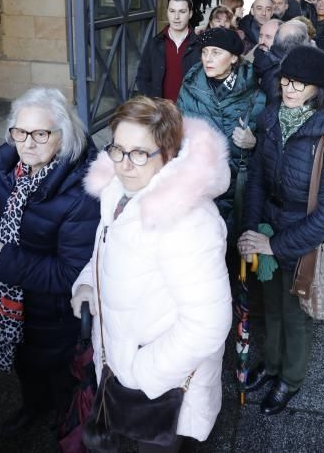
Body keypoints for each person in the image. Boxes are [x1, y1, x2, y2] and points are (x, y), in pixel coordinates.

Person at [71, 97, 232, 452]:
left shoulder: (188, 221)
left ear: (169, 154)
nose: (125, 165)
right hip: (121, 363)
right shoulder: (119, 191)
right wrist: (86, 284)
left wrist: (142, 373)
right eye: (117, 149)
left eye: (140, 153)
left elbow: (208, 323)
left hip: (161, 386)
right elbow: (108, 248)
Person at [238, 46, 324, 415]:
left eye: (300, 84)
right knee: (268, 305)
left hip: (302, 239)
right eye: (286, 79)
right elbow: (257, 179)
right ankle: (271, 364)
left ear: (317, 89)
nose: (289, 88)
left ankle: (291, 377)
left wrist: (275, 244)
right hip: (269, 227)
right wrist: (251, 231)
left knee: (292, 312)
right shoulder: (272, 119)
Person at [0, 87, 99, 438]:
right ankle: (31, 408)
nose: (27, 143)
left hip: (51, 314)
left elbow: (69, 272)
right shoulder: (6, 163)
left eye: (40, 133)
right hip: (8, 303)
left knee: (58, 375)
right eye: (19, 131)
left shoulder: (81, 194)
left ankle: (64, 421)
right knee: (26, 368)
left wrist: (0, 257)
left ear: (64, 136)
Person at [177, 28, 266, 233]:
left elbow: (271, 142)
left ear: (234, 57)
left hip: (237, 185)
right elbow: (176, 130)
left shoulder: (254, 90)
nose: (208, 59)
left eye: (216, 53)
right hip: (200, 183)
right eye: (205, 52)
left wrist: (254, 143)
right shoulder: (190, 86)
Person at [136, 0, 201, 102]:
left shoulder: (200, 45)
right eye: (172, 11)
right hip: (161, 111)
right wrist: (153, 102)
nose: (176, 17)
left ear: (190, 14)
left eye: (182, 12)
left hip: (191, 113)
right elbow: (142, 77)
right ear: (167, 12)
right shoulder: (155, 43)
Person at [253, 21, 310, 103]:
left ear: (281, 39)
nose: (262, 41)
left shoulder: (281, 72)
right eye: (260, 36)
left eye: (268, 37)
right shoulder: (253, 58)